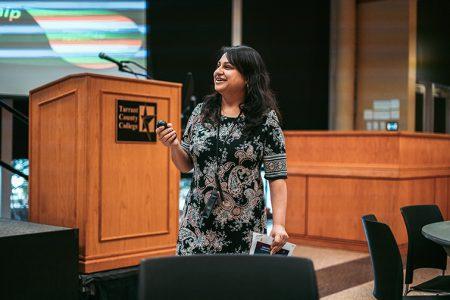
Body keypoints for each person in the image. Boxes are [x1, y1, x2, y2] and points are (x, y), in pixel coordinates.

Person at [156, 45, 288, 255]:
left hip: (244, 225)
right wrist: (173, 145)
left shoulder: (265, 120)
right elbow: (185, 164)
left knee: (236, 285)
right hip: (198, 222)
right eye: (218, 66)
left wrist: (279, 224)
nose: (218, 71)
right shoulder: (202, 112)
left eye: (227, 67)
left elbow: (277, 176)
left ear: (248, 77)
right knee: (195, 283)